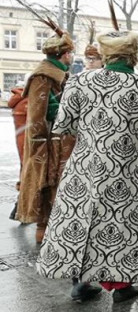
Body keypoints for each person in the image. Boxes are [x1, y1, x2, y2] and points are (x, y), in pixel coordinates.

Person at [36, 30, 138, 303]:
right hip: (128, 168)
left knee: (80, 218)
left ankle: (81, 282)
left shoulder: (78, 82)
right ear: (134, 55)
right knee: (121, 223)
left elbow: (63, 126)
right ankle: (121, 286)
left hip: (85, 166)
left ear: (105, 54)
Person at [17, 27, 75, 244]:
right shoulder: (43, 76)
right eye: (69, 53)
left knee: (59, 185)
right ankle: (43, 229)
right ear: (63, 54)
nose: (71, 57)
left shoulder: (59, 73)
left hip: (61, 141)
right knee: (46, 184)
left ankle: (55, 228)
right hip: (48, 142)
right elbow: (40, 113)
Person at [8, 80, 28, 220]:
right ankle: (20, 210)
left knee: (26, 171)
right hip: (29, 146)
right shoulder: (27, 102)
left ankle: (19, 210)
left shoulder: (19, 100)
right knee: (29, 174)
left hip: (23, 145)